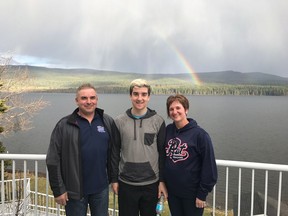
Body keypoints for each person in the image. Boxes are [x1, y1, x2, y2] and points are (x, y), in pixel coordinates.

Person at [46, 83, 119, 216]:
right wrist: (58, 189)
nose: (89, 102)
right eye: (84, 98)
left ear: (97, 99)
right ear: (77, 101)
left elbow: (113, 154)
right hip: (74, 193)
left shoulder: (107, 121)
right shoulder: (64, 125)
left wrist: (114, 179)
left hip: (101, 189)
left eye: (92, 98)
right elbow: (53, 159)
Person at [111, 79, 168, 216]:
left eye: (143, 94)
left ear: (148, 97)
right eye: (136, 94)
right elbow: (113, 153)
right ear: (130, 96)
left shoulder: (158, 121)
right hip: (126, 183)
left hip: (151, 184)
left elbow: (162, 154)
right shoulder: (119, 121)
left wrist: (162, 181)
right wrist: (113, 179)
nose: (139, 98)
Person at [164, 94, 217, 216]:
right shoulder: (168, 131)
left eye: (178, 108)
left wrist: (202, 194)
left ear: (186, 110)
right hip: (173, 194)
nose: (174, 112)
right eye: (171, 109)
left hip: (192, 196)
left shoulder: (200, 135)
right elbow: (163, 158)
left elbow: (209, 168)